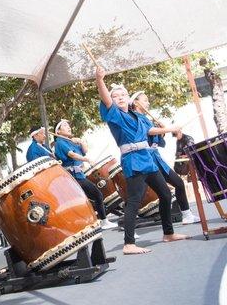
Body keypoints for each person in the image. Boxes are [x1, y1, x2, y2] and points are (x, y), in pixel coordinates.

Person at [95, 66, 188, 255]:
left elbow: (150, 131)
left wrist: (170, 129)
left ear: (128, 97)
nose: (120, 97)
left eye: (123, 94)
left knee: (166, 194)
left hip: (148, 159)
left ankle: (168, 233)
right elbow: (105, 97)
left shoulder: (138, 115)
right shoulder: (114, 115)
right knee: (134, 201)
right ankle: (129, 243)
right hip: (133, 160)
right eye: (116, 95)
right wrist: (99, 80)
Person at [130, 91, 200, 224]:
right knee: (139, 196)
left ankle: (186, 215)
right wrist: (167, 129)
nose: (148, 102)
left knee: (176, 184)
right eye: (145, 100)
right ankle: (130, 227)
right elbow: (148, 132)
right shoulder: (135, 118)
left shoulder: (146, 118)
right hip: (144, 159)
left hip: (155, 158)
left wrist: (162, 131)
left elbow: (156, 142)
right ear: (136, 103)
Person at [53, 120, 117, 230]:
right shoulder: (60, 142)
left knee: (91, 197)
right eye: (65, 125)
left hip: (79, 175)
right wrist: (86, 159)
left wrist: (81, 141)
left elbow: (85, 150)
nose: (68, 127)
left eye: (68, 125)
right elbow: (72, 154)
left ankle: (97, 220)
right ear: (58, 131)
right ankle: (102, 221)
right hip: (73, 177)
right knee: (96, 195)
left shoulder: (69, 141)